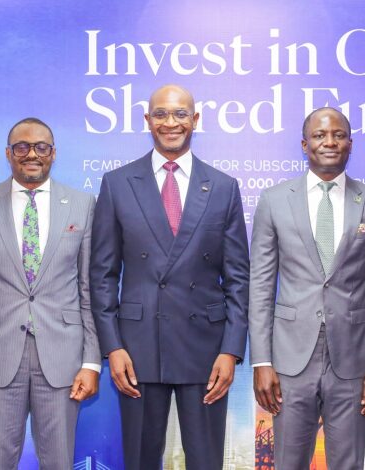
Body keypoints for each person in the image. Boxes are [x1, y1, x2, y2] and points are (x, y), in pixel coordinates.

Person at [90, 84, 249, 470]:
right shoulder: (117, 183)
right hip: (137, 348)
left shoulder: (223, 187)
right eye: (160, 114)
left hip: (207, 348)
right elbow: (103, 275)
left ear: (195, 120)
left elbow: (238, 279)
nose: (170, 122)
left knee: (206, 461)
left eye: (180, 114)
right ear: (148, 120)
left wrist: (230, 350)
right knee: (141, 459)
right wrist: (113, 347)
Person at [249, 107, 365, 469]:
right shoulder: (274, 200)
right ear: (305, 145)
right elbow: (261, 286)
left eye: (338, 135)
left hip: (353, 361)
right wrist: (262, 361)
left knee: (348, 463)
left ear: (350, 143)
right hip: (289, 360)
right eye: (319, 135)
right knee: (288, 462)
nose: (329, 142)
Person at [0, 117, 100, 469]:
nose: (32, 154)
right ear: (8, 154)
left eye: (41, 147)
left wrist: (92, 362)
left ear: (53, 154)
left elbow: (89, 289)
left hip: (63, 360)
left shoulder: (82, 204)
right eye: (22, 147)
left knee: (60, 462)